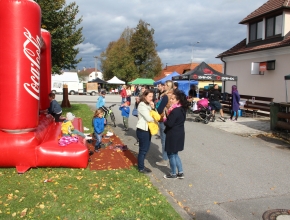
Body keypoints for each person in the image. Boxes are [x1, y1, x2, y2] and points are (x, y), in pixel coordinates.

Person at [163, 90, 187, 179]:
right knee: (175, 154)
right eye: (171, 98)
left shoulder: (175, 111)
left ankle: (173, 173)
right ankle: (180, 172)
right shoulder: (182, 109)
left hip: (173, 134)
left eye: (173, 99)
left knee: (171, 154)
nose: (171, 100)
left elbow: (169, 123)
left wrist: (165, 119)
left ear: (178, 100)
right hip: (179, 133)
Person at [136, 89, 155, 173]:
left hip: (148, 129)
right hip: (142, 130)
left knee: (145, 149)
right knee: (143, 150)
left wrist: (153, 108)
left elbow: (155, 113)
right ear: (145, 96)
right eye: (149, 96)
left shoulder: (148, 104)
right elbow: (149, 118)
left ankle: (142, 165)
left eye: (152, 96)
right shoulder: (142, 105)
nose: (151, 98)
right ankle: (141, 168)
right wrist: (155, 118)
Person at [156, 80, 174, 166]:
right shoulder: (174, 95)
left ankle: (165, 159)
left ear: (167, 86)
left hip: (164, 119)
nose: (164, 86)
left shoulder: (166, 96)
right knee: (169, 139)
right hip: (172, 119)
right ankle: (171, 157)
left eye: (165, 85)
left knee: (164, 140)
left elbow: (160, 109)